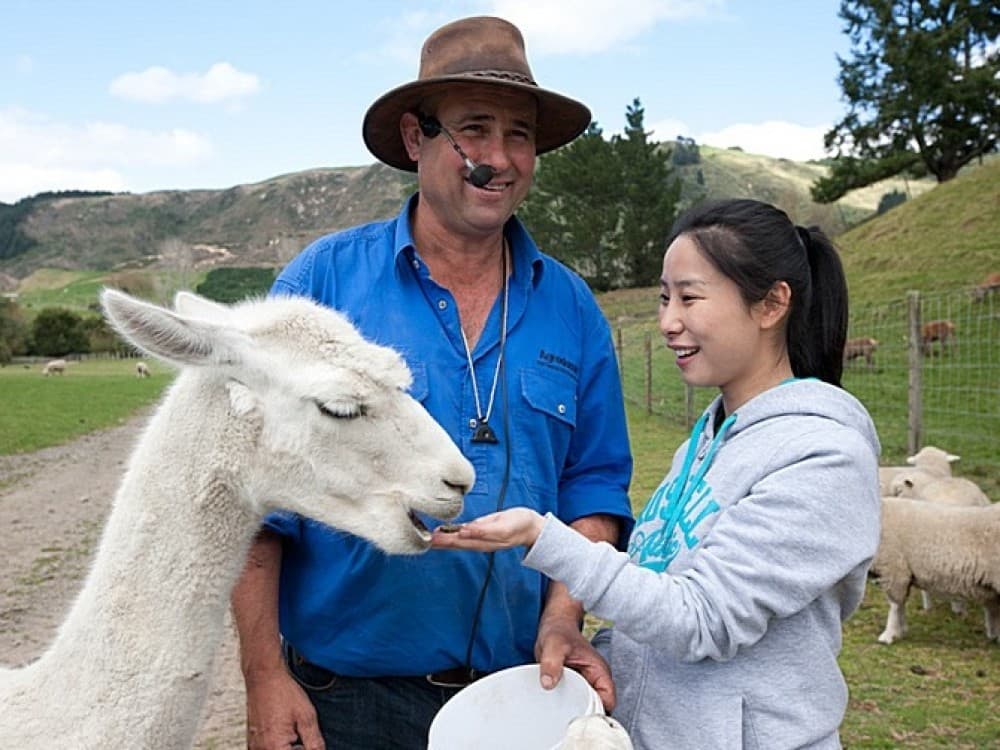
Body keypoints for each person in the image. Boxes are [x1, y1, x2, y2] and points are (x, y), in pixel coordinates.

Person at [230, 15, 634, 750]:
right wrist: (263, 675)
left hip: (520, 697)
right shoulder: (321, 286)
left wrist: (562, 616)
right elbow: (254, 498)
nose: (500, 158)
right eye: (474, 130)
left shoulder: (571, 307)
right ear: (417, 139)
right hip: (344, 704)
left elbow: (594, 489)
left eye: (520, 135)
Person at [434, 198, 883, 749]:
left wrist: (541, 536)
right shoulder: (708, 439)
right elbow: (661, 586)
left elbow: (702, 619)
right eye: (665, 298)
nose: (669, 322)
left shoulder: (823, 455)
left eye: (690, 298)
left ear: (771, 305)